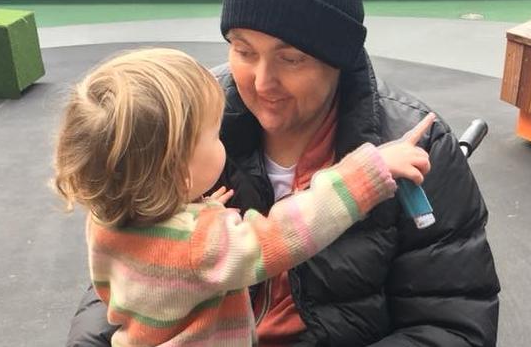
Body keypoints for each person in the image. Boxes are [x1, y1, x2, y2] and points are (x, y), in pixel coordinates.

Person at [66, 0, 501, 346]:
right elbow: (128, 267)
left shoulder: (419, 145)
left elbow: (452, 324)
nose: (261, 82)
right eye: (243, 49)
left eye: (291, 58)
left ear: (338, 58)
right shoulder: (182, 124)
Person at [54, 47, 436, 346]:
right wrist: (367, 174)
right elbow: (285, 234)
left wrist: (192, 214)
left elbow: (152, 270)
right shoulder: (198, 247)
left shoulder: (107, 221)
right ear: (179, 171)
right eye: (212, 134)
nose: (221, 139)